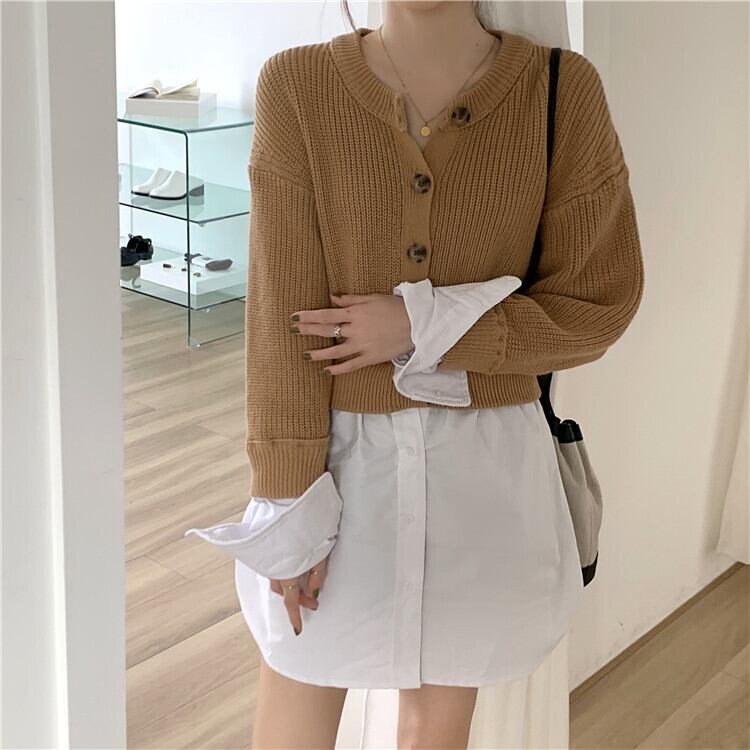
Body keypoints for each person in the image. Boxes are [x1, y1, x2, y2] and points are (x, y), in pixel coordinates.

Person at [184, 1, 645, 747]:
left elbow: (597, 303)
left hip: (487, 475)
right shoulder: (298, 85)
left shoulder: (561, 91)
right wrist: (289, 498)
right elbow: (281, 320)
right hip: (337, 467)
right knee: (296, 691)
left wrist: (420, 327)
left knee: (437, 729)